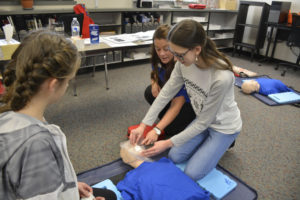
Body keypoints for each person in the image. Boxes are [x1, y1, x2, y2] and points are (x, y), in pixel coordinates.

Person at [0, 30, 116, 200]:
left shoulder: (10, 114)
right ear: (53, 84)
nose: (68, 85)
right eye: (68, 80)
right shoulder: (36, 145)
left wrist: (68, 186)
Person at [130, 19, 242, 181]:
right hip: (202, 122)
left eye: (179, 55)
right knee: (175, 156)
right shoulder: (183, 64)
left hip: (223, 127)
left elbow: (203, 122)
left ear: (197, 49)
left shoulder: (221, 77)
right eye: (173, 53)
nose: (175, 59)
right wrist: (143, 125)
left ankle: (225, 142)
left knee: (192, 173)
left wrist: (167, 142)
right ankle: (208, 144)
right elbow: (165, 94)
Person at [142, 24, 195, 145]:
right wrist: (154, 83)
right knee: (150, 91)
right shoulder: (158, 57)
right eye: (158, 49)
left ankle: (173, 122)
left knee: (171, 130)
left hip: (188, 103)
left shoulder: (181, 64)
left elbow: (177, 103)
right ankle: (168, 120)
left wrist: (157, 129)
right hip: (171, 96)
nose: (161, 54)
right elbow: (154, 72)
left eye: (166, 49)